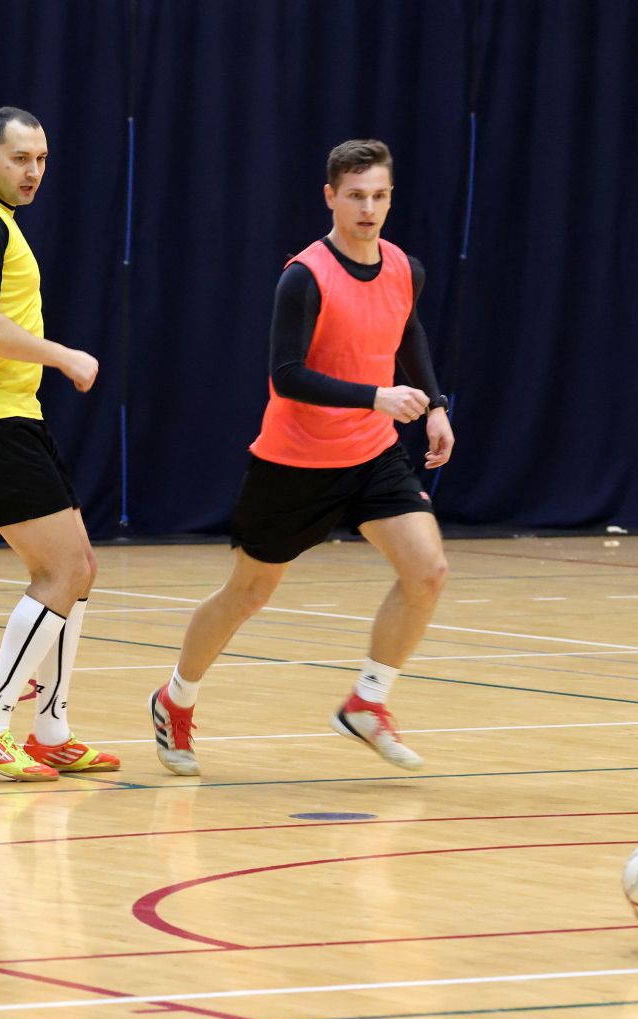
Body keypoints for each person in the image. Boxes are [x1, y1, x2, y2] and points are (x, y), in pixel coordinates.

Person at [148, 139, 452, 775]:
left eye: (379, 196)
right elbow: (286, 376)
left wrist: (436, 406)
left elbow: (407, 331)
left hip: (371, 455)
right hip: (295, 463)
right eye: (356, 196)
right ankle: (175, 699)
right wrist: (376, 397)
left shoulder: (405, 268)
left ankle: (367, 702)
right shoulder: (305, 276)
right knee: (247, 594)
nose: (368, 209)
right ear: (330, 197)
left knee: (427, 571)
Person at [0, 107, 116, 781]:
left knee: (80, 567)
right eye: (19, 159)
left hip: (4, 412)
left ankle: (51, 730)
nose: (33, 172)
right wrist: (64, 355)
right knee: (62, 571)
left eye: (41, 159)